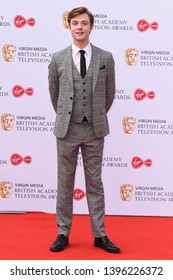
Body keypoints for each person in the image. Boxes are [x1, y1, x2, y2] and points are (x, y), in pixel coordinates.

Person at [48, 6, 120, 253]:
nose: (79, 27)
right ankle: (62, 232)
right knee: (64, 183)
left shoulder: (106, 57)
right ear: (69, 26)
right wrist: (68, 116)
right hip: (66, 130)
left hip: (94, 130)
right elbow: (54, 93)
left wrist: (95, 116)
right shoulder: (57, 58)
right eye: (75, 23)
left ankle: (100, 235)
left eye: (84, 23)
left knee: (95, 184)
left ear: (91, 26)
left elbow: (109, 94)